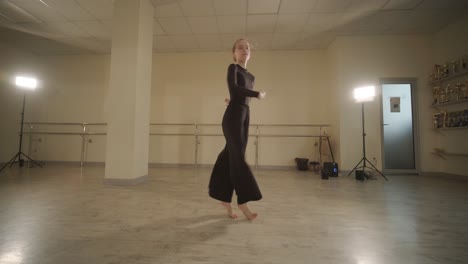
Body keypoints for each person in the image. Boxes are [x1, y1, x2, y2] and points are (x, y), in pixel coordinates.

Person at [208, 38, 266, 221]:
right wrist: (255, 94)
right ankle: (244, 201)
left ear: (250, 53)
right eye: (240, 47)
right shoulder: (232, 68)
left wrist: (237, 99)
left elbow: (239, 95)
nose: (244, 50)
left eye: (247, 47)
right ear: (234, 53)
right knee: (238, 157)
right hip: (233, 117)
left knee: (228, 156)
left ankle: (224, 198)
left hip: (243, 116)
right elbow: (234, 88)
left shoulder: (251, 77)